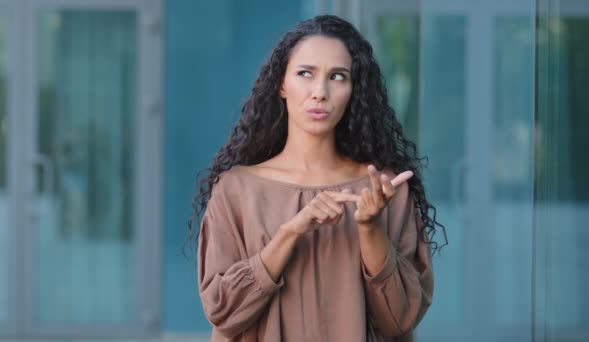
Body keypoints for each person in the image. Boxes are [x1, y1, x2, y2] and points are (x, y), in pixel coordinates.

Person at [189, 14, 446, 342]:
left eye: (337, 76)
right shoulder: (236, 190)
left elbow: (401, 319)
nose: (320, 92)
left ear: (354, 89)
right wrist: (290, 232)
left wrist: (370, 229)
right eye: (305, 74)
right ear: (282, 83)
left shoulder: (385, 190)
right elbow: (222, 310)